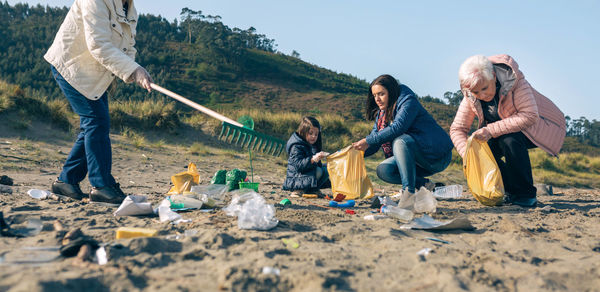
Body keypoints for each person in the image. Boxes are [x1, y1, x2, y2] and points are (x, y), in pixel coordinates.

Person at [44, 0, 153, 203]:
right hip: (71, 67)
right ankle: (101, 185)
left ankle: (66, 181)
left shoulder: (129, 9)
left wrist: (134, 70)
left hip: (94, 73)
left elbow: (127, 47)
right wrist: (133, 69)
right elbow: (98, 44)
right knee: (96, 121)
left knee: (92, 125)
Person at [450, 54, 566, 207]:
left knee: (509, 139)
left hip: (538, 127)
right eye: (476, 92)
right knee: (482, 150)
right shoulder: (471, 94)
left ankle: (525, 195)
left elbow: (530, 116)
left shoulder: (515, 82)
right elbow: (457, 128)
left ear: (493, 76)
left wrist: (490, 130)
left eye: (485, 88)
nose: (482, 95)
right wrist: (468, 155)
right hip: (500, 130)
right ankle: (511, 191)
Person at [352, 74, 453, 195]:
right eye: (374, 95)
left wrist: (368, 141)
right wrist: (352, 153)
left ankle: (408, 193)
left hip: (436, 155)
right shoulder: (382, 114)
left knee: (401, 141)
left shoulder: (408, 101)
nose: (377, 99)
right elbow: (374, 142)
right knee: (384, 170)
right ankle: (426, 185)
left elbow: (398, 127)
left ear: (391, 91)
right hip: (414, 159)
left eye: (381, 94)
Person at [283, 116, 330, 197]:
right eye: (310, 133)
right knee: (318, 171)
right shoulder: (296, 146)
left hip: (307, 174)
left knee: (326, 169)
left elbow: (317, 165)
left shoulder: (313, 146)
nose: (313, 136)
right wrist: (312, 159)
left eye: (316, 134)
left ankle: (312, 190)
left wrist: (324, 159)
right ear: (303, 132)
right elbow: (299, 166)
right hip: (296, 177)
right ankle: (298, 190)